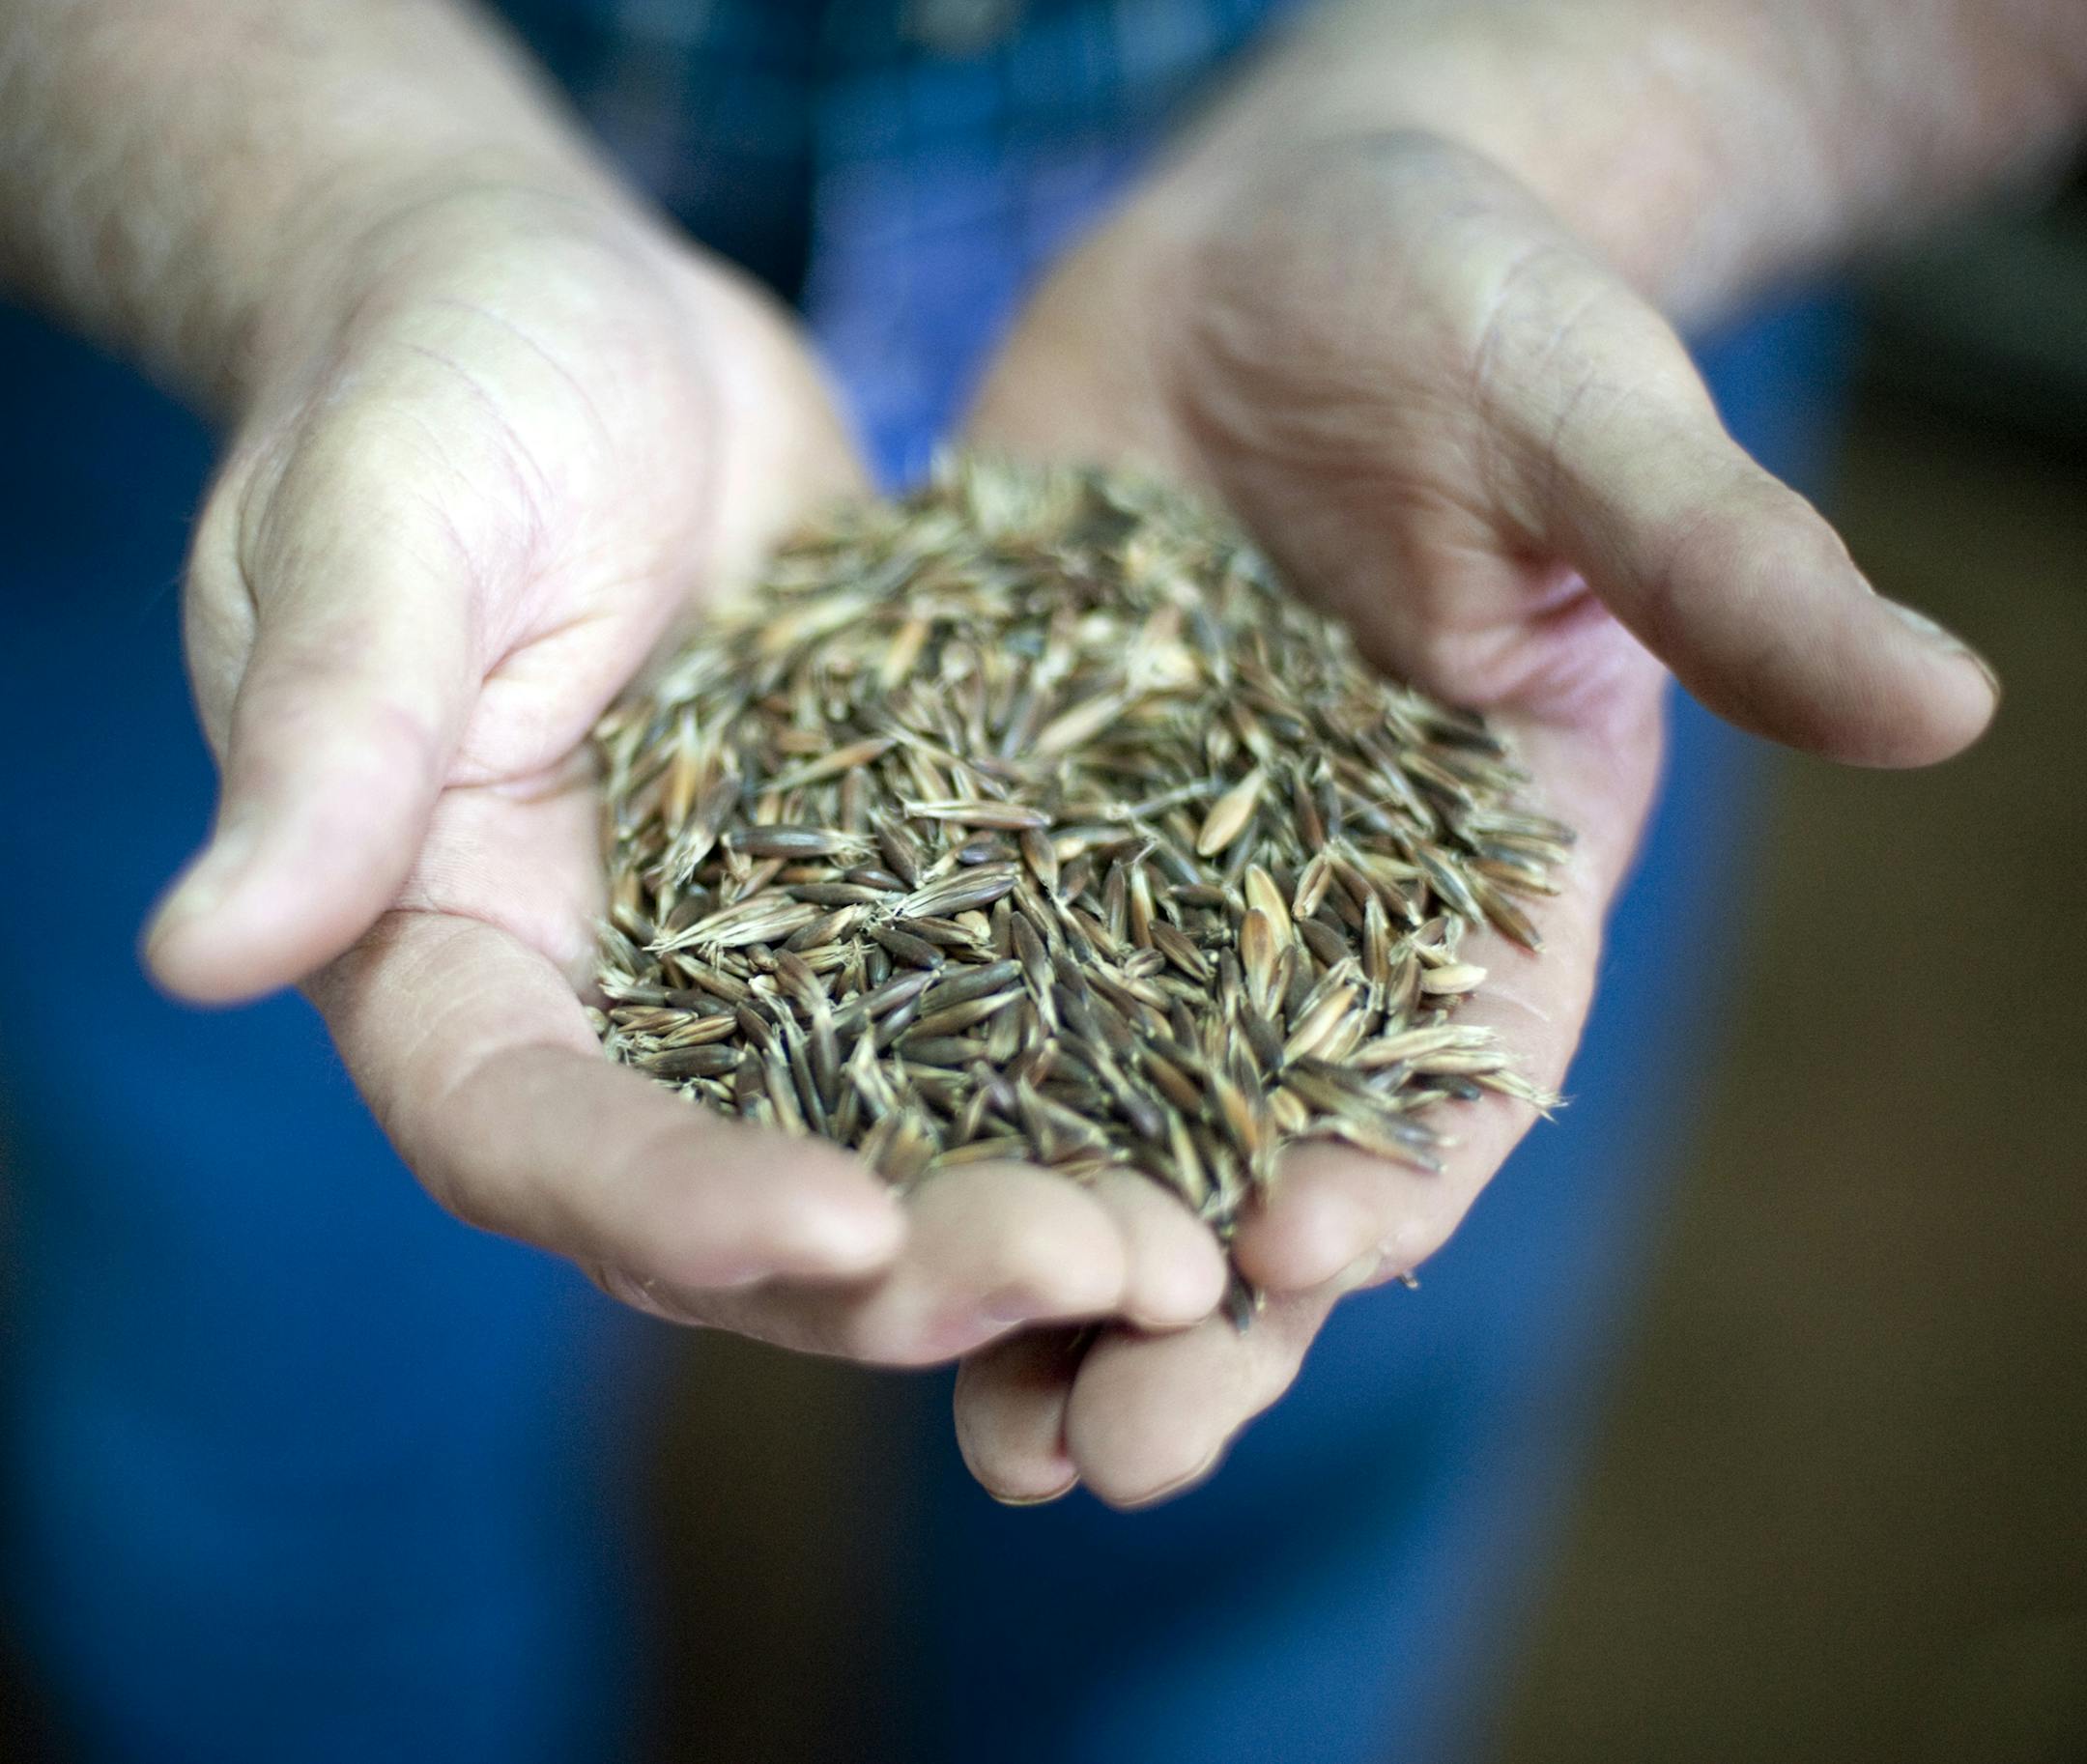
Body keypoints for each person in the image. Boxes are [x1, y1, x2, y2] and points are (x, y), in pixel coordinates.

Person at [0, 1, 2077, 1758]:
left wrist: (1504, 127)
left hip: (1449, 290)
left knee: (1287, 1378)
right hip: (264, 204)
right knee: (255, 1397)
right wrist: (333, 209)